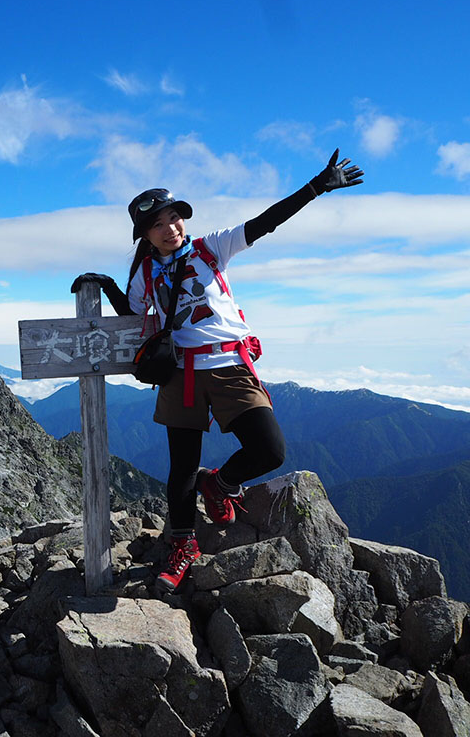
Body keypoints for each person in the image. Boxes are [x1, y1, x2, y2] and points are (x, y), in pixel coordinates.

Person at [71, 150, 363, 591]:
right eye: (158, 224)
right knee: (182, 468)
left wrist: (316, 187)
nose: (171, 228)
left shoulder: (211, 249)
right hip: (180, 373)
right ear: (144, 234)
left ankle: (221, 483)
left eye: (174, 218)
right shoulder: (146, 272)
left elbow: (265, 222)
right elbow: (132, 315)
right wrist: (108, 285)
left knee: (270, 450)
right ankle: (183, 545)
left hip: (230, 365)